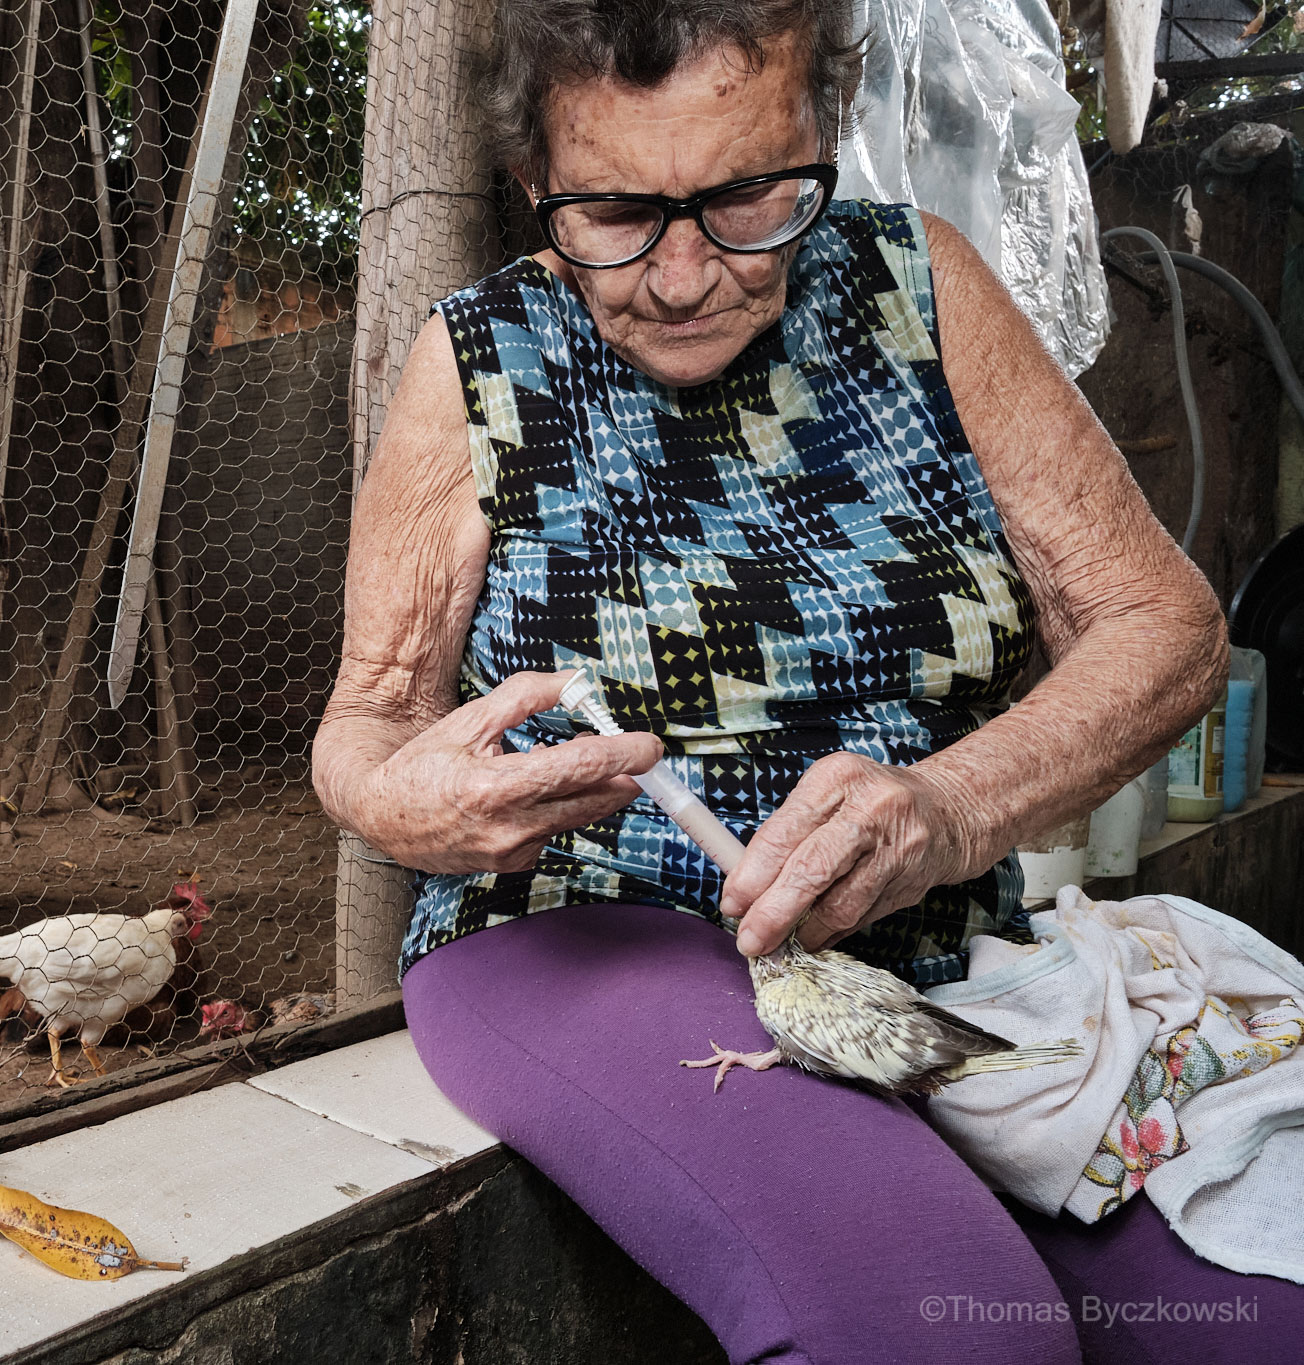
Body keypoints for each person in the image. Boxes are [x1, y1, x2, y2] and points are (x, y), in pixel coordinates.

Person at [311, 1, 1303, 1361]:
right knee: (941, 1333)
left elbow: (1164, 625)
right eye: (612, 212)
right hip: (590, 929)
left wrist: (945, 810)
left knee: (1258, 1322)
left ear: (818, 133)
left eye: (748, 197)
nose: (680, 275)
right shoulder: (483, 357)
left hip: (927, 952)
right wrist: (404, 798)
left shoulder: (922, 287)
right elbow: (367, 716)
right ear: (534, 184)